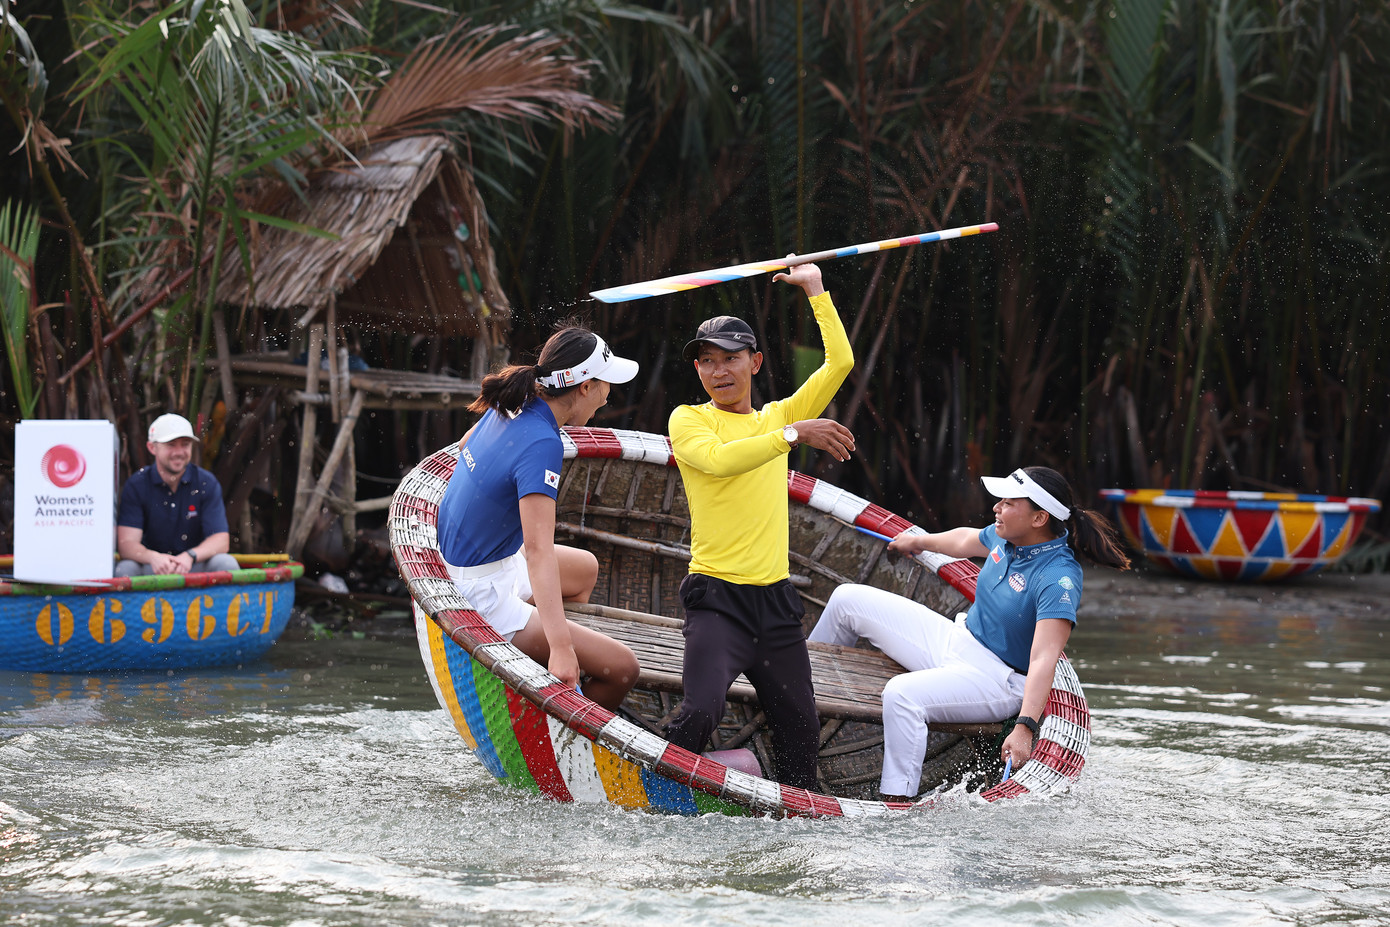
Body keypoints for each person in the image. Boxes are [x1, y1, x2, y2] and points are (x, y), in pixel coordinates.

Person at [807, 466, 1130, 800]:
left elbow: (1044, 657)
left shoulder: (1058, 577)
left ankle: (897, 800)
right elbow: (965, 539)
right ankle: (800, 703)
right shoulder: (1007, 536)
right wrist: (917, 541)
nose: (997, 508)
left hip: (996, 679)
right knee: (847, 599)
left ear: (1039, 519)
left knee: (901, 696)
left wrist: (1025, 727)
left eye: (1008, 502)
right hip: (957, 638)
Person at [664, 260, 856, 792]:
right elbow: (723, 461)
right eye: (707, 361)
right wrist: (792, 435)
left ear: (755, 362)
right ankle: (662, 798)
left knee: (802, 731)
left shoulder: (774, 418)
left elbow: (840, 361)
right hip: (716, 600)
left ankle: (796, 818)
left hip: (774, 606)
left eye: (730, 358)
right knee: (699, 714)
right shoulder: (689, 419)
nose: (719, 371)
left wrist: (815, 290)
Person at [436, 326, 641, 712]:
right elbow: (538, 550)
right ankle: (554, 709)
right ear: (584, 387)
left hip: (483, 563)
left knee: (586, 569)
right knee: (623, 668)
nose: (609, 394)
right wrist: (562, 649)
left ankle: (534, 669)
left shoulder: (516, 400)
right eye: (605, 383)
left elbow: (466, 445)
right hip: (481, 593)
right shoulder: (544, 443)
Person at [115, 413, 242, 578]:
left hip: (194, 567)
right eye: (171, 445)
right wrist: (154, 557)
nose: (179, 452)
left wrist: (190, 556)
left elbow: (221, 541)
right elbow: (126, 544)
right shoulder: (136, 485)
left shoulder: (206, 483)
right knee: (125, 569)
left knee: (226, 563)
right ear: (152, 448)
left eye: (185, 444)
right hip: (151, 568)